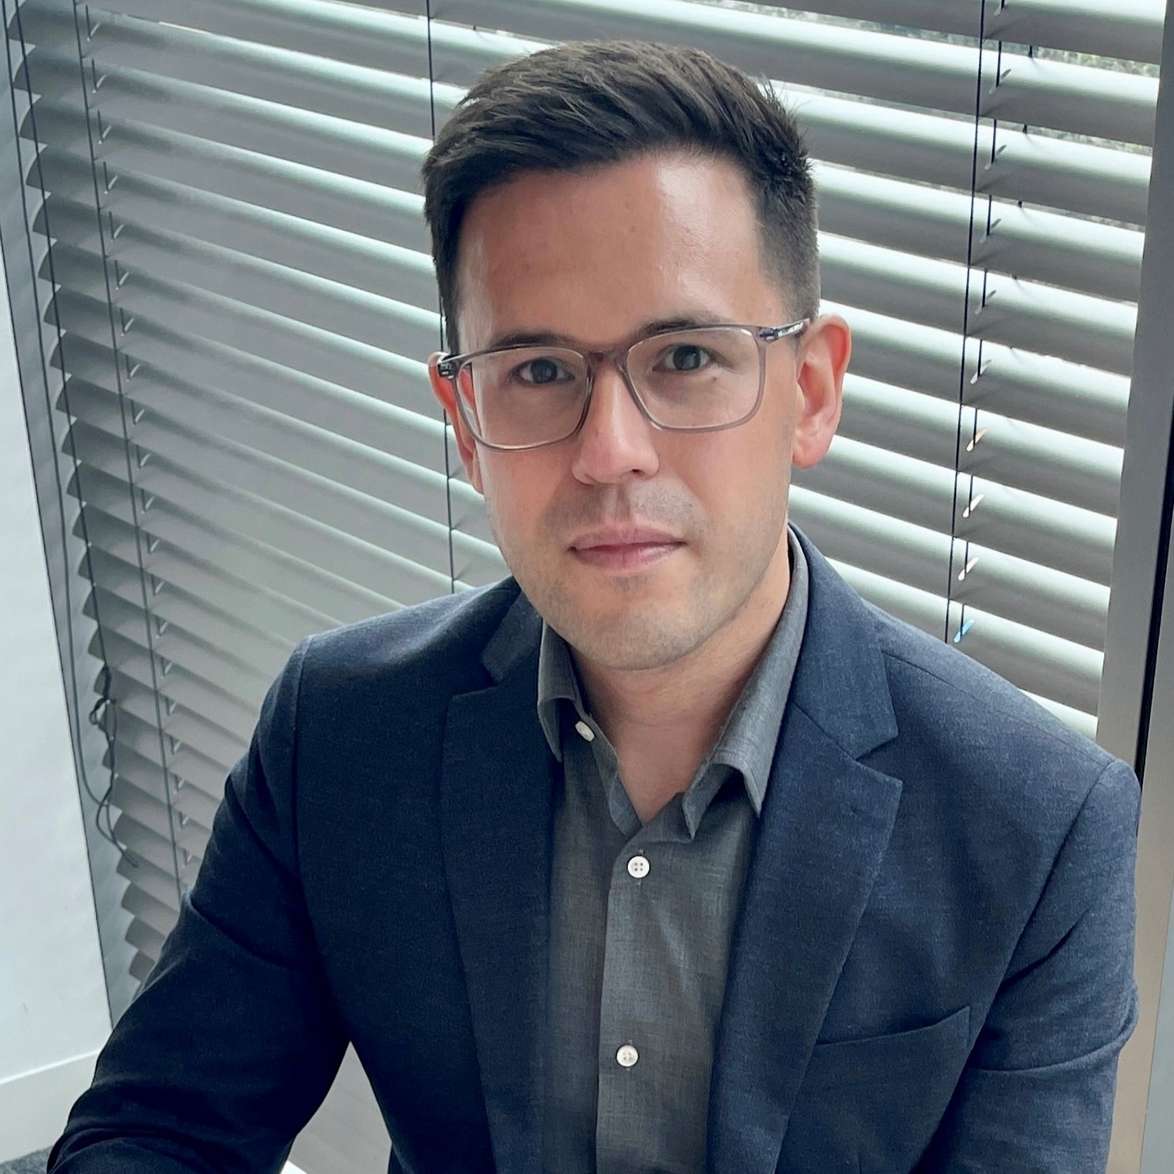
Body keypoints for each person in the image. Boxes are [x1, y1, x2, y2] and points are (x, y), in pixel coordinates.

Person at [48, 39, 1140, 1174]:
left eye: (684, 357)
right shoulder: (338, 732)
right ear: (465, 420)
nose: (609, 451)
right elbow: (153, 1131)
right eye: (537, 371)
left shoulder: (1036, 827)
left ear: (808, 392)